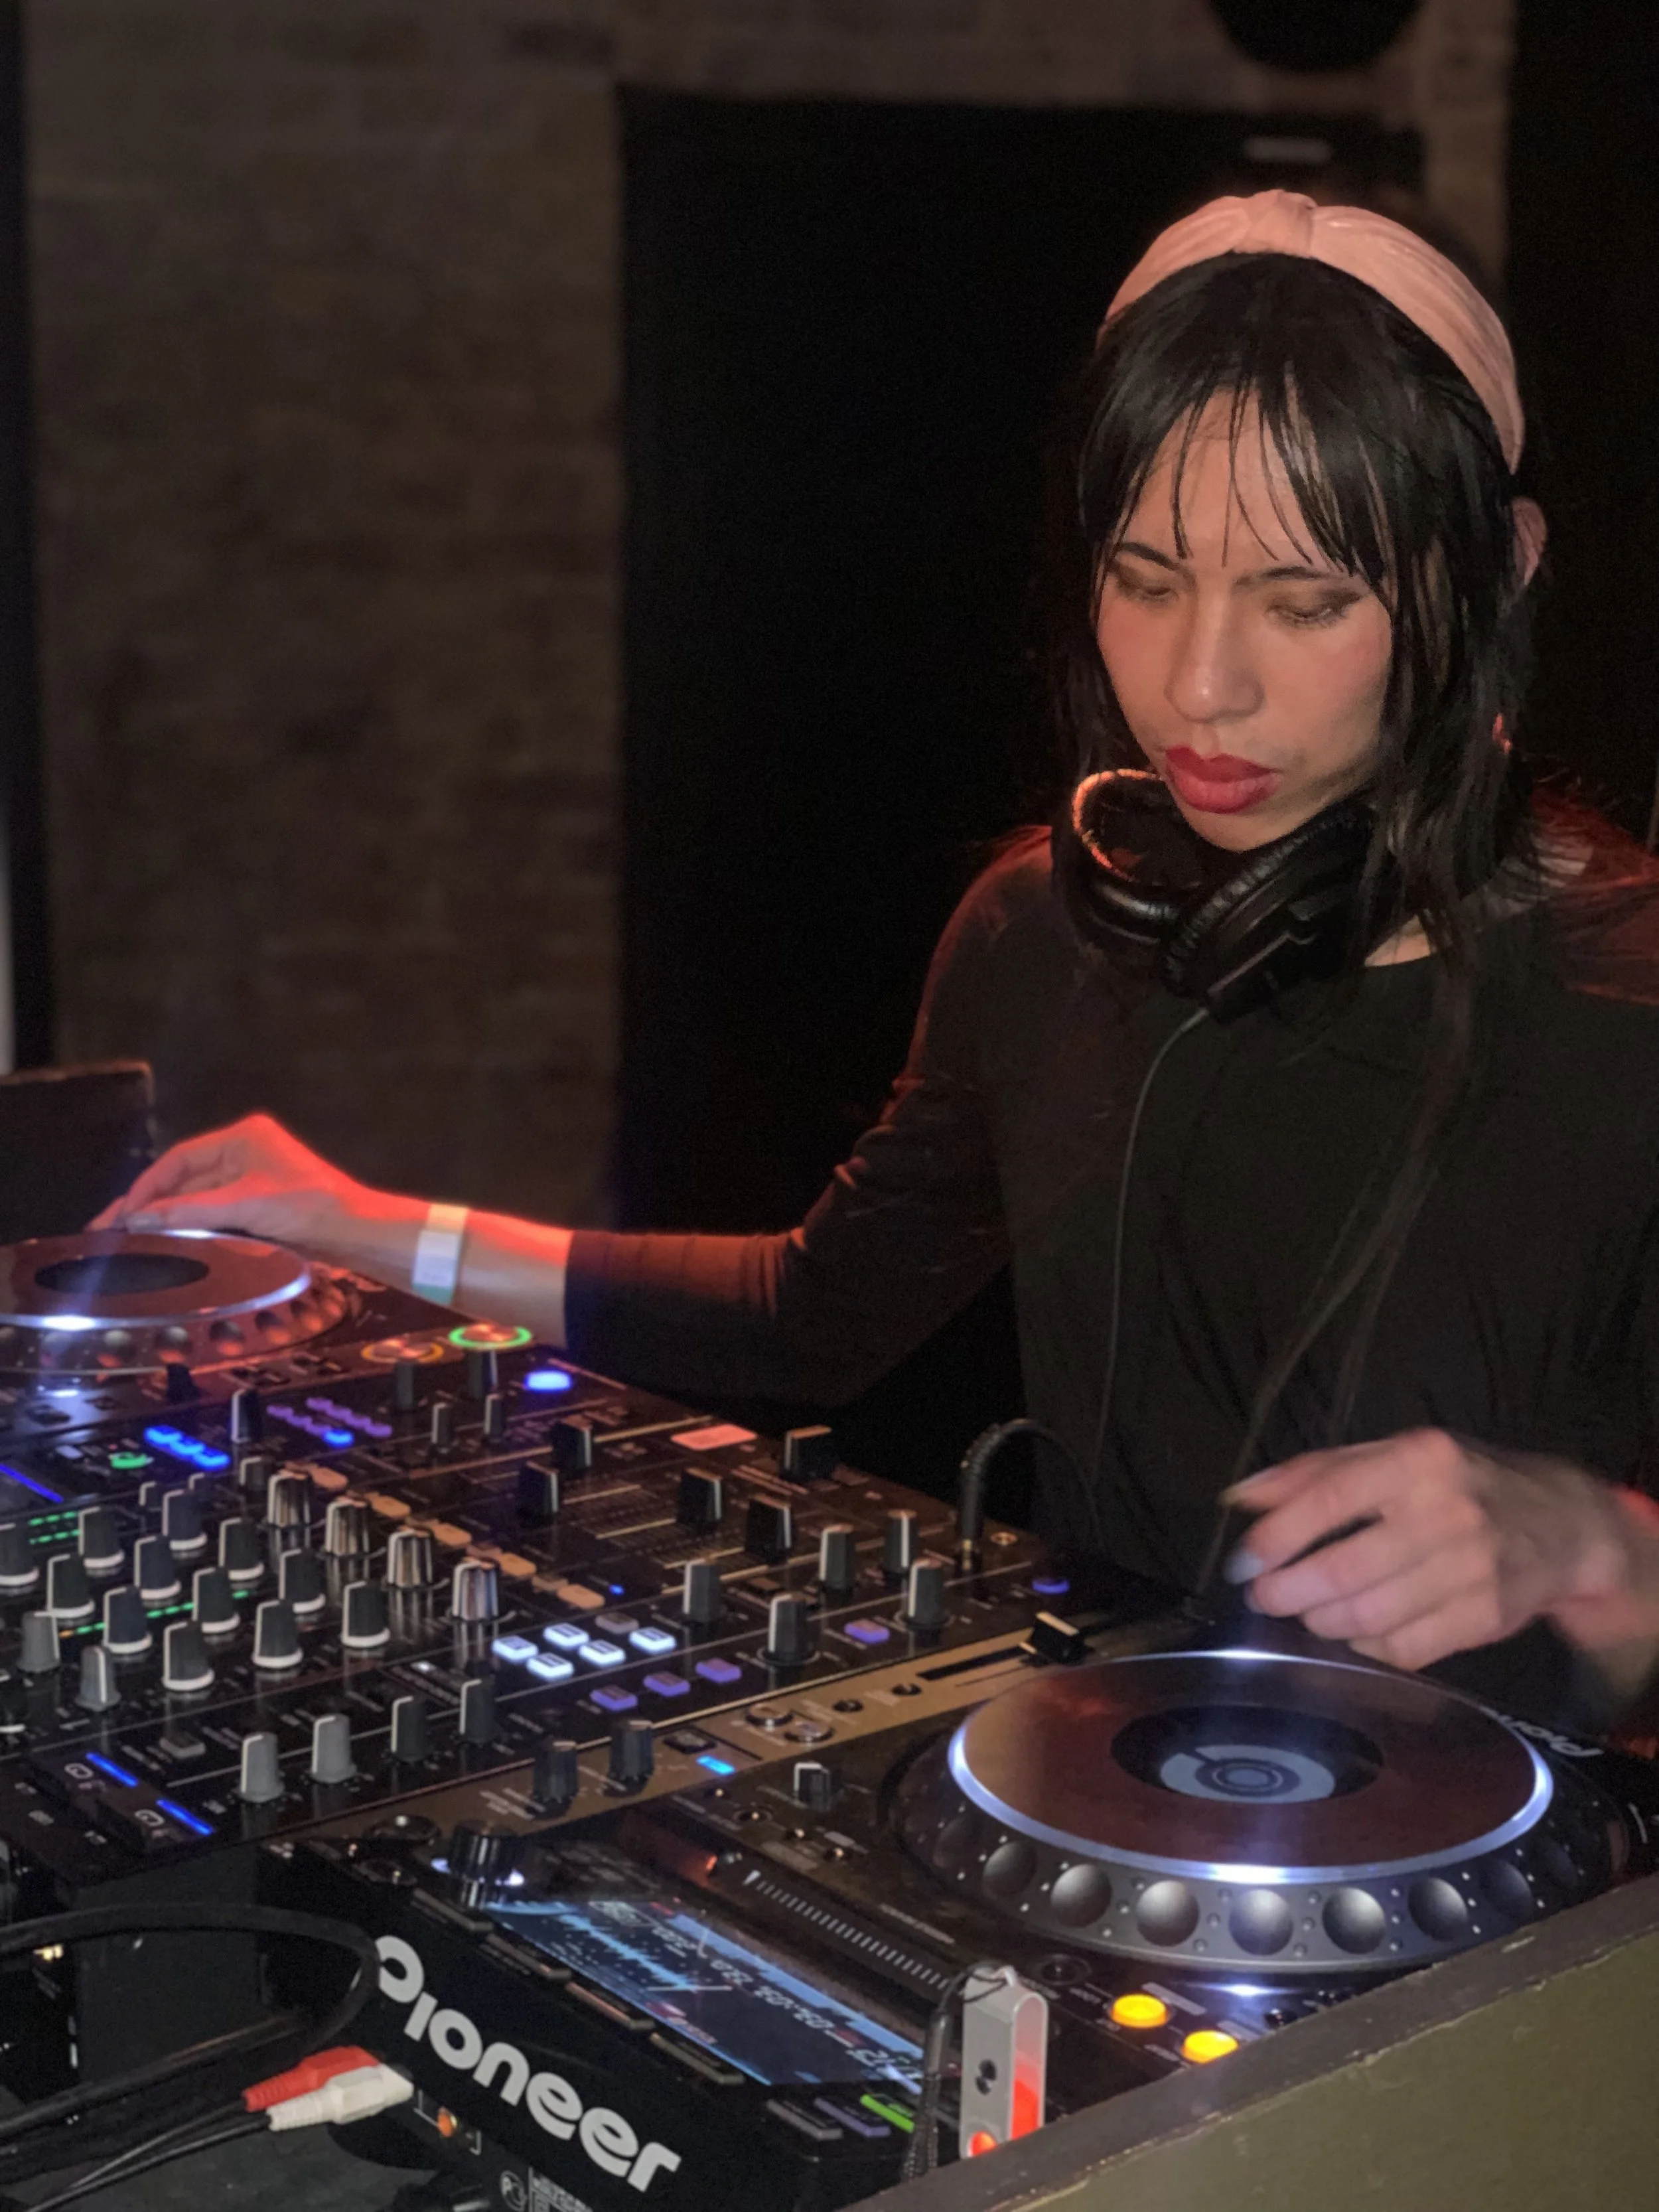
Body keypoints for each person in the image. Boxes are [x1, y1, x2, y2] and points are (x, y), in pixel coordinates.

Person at [97, 190, 1659, 1732]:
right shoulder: (1043, 930)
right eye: (1142, 577)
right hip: (1114, 1864)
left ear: (1491, 571)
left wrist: (1593, 1544)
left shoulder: (1629, 1001)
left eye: (1304, 599)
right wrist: (371, 1226)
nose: (1197, 684)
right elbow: (805, 1311)